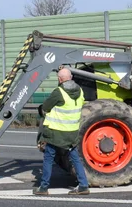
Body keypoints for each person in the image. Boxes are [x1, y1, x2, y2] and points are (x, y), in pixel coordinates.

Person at [34, 66, 92, 195]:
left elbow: (46, 107)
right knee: (75, 158)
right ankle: (83, 185)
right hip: (72, 133)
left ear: (59, 79)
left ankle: (43, 187)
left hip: (57, 133)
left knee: (49, 158)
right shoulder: (80, 91)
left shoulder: (58, 92)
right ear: (71, 78)